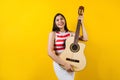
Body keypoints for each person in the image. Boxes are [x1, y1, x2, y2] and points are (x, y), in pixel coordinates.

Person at [48, 13, 88, 80]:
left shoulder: (71, 34)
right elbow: (50, 52)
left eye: (61, 19)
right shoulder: (53, 34)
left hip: (71, 62)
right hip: (60, 63)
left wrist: (81, 23)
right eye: (57, 20)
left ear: (65, 20)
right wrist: (65, 64)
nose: (60, 21)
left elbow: (85, 38)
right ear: (55, 23)